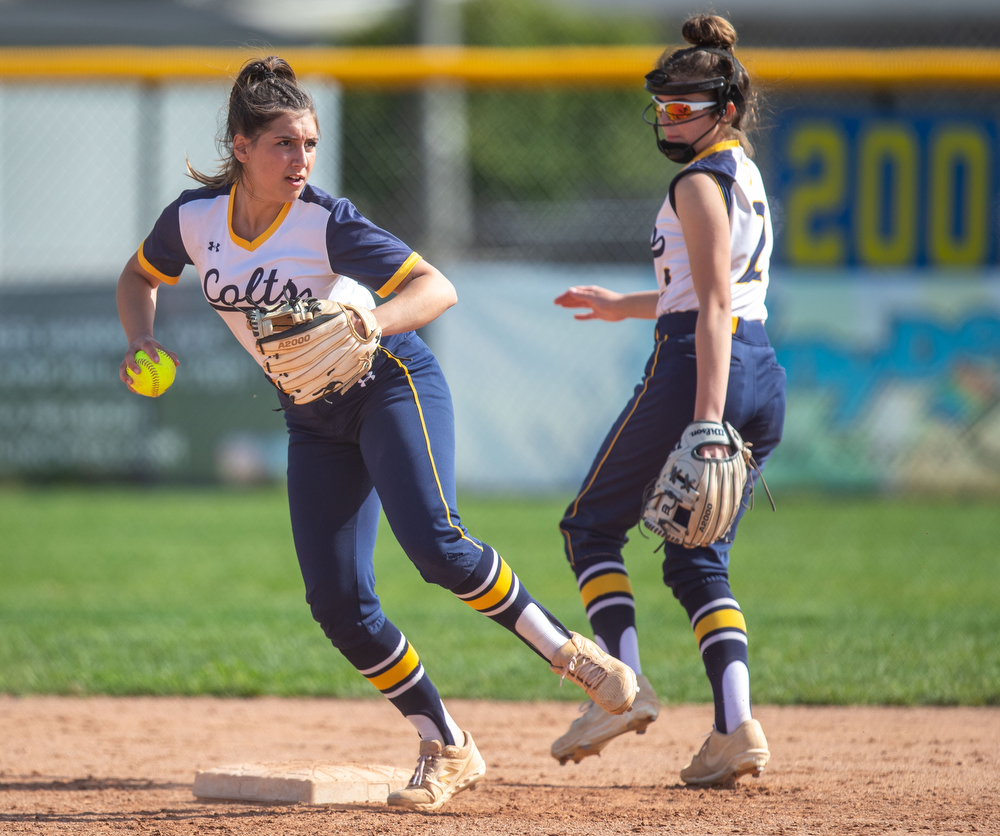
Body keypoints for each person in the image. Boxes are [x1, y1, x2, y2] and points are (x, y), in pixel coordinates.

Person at [116, 56, 637, 813]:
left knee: (435, 546)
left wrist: (370, 318)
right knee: (336, 601)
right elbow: (139, 278)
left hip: (388, 381)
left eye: (310, 144)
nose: (302, 161)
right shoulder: (194, 222)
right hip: (312, 417)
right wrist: (140, 341)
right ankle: (446, 744)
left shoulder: (324, 219)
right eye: (284, 145)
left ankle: (571, 655)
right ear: (241, 147)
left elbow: (438, 287)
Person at [550, 14, 786, 786]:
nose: (669, 117)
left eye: (685, 105)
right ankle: (734, 729)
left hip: (700, 368)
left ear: (724, 107)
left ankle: (621, 687)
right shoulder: (743, 175)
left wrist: (708, 419)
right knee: (696, 560)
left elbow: (712, 304)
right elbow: (716, 294)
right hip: (760, 370)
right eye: (662, 104)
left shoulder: (696, 180)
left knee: (589, 528)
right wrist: (623, 304)